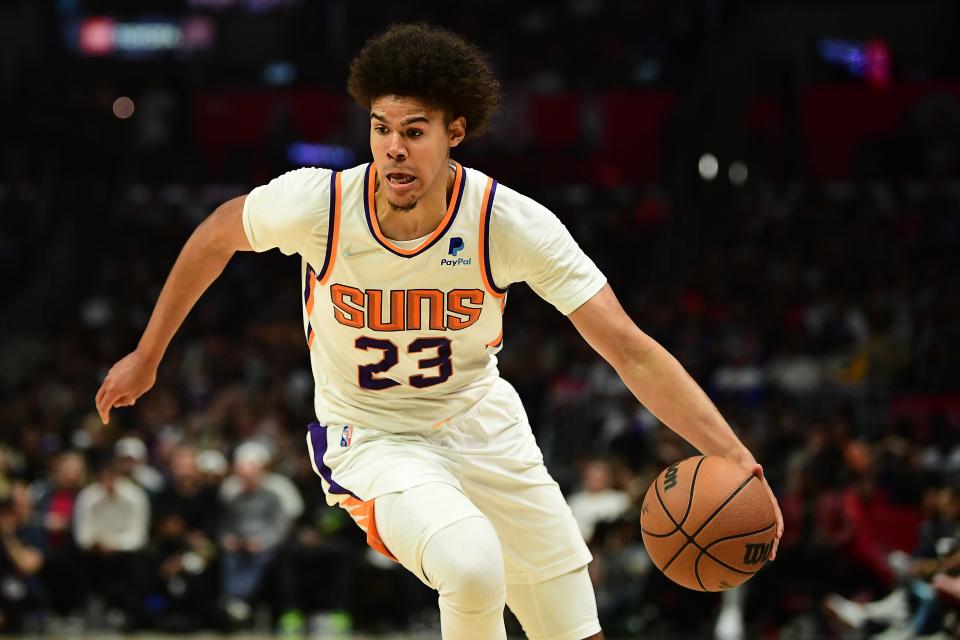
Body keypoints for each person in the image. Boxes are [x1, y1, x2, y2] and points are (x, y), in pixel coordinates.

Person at [94, 23, 783, 640]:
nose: (393, 149)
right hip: (373, 439)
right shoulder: (320, 206)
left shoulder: (507, 223)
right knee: (473, 565)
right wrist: (148, 354)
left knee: (573, 630)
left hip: (483, 428)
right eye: (380, 128)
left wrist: (733, 453)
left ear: (455, 131)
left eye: (414, 130)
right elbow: (216, 234)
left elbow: (629, 348)